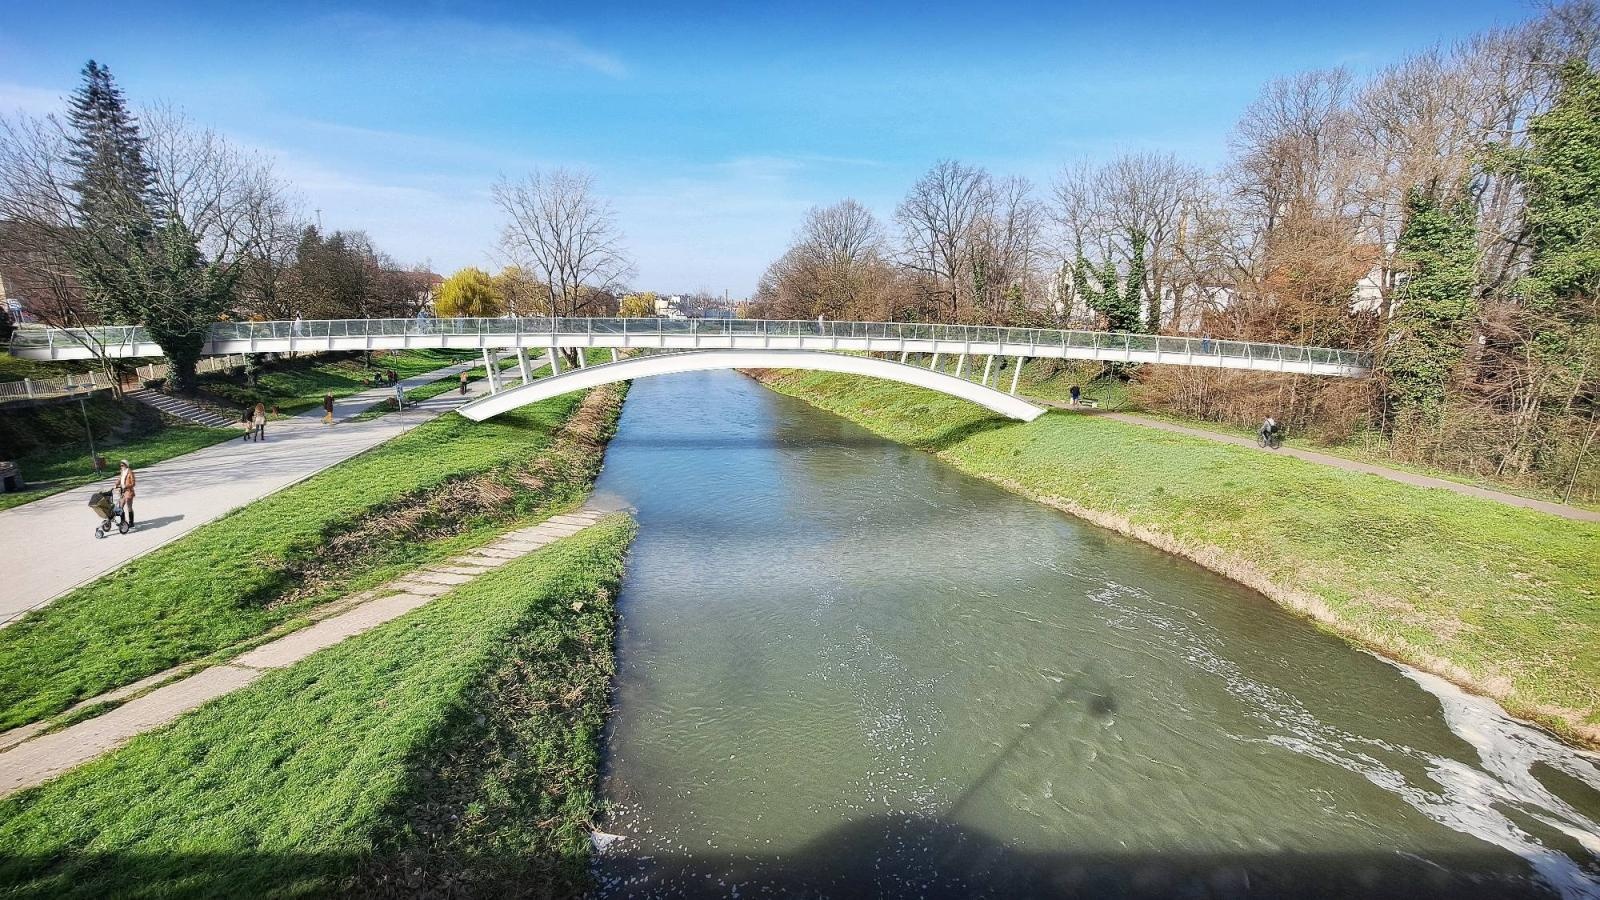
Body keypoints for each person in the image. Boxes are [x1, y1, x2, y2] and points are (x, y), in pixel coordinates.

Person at [115, 459, 136, 527]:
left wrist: (126, 486)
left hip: (129, 491)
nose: (121, 467)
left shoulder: (130, 472)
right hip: (123, 492)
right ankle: (123, 522)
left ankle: (131, 522)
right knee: (120, 506)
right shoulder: (122, 471)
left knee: (129, 507)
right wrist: (116, 484)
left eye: (122, 465)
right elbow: (120, 479)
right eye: (120, 465)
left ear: (126, 465)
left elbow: (133, 483)